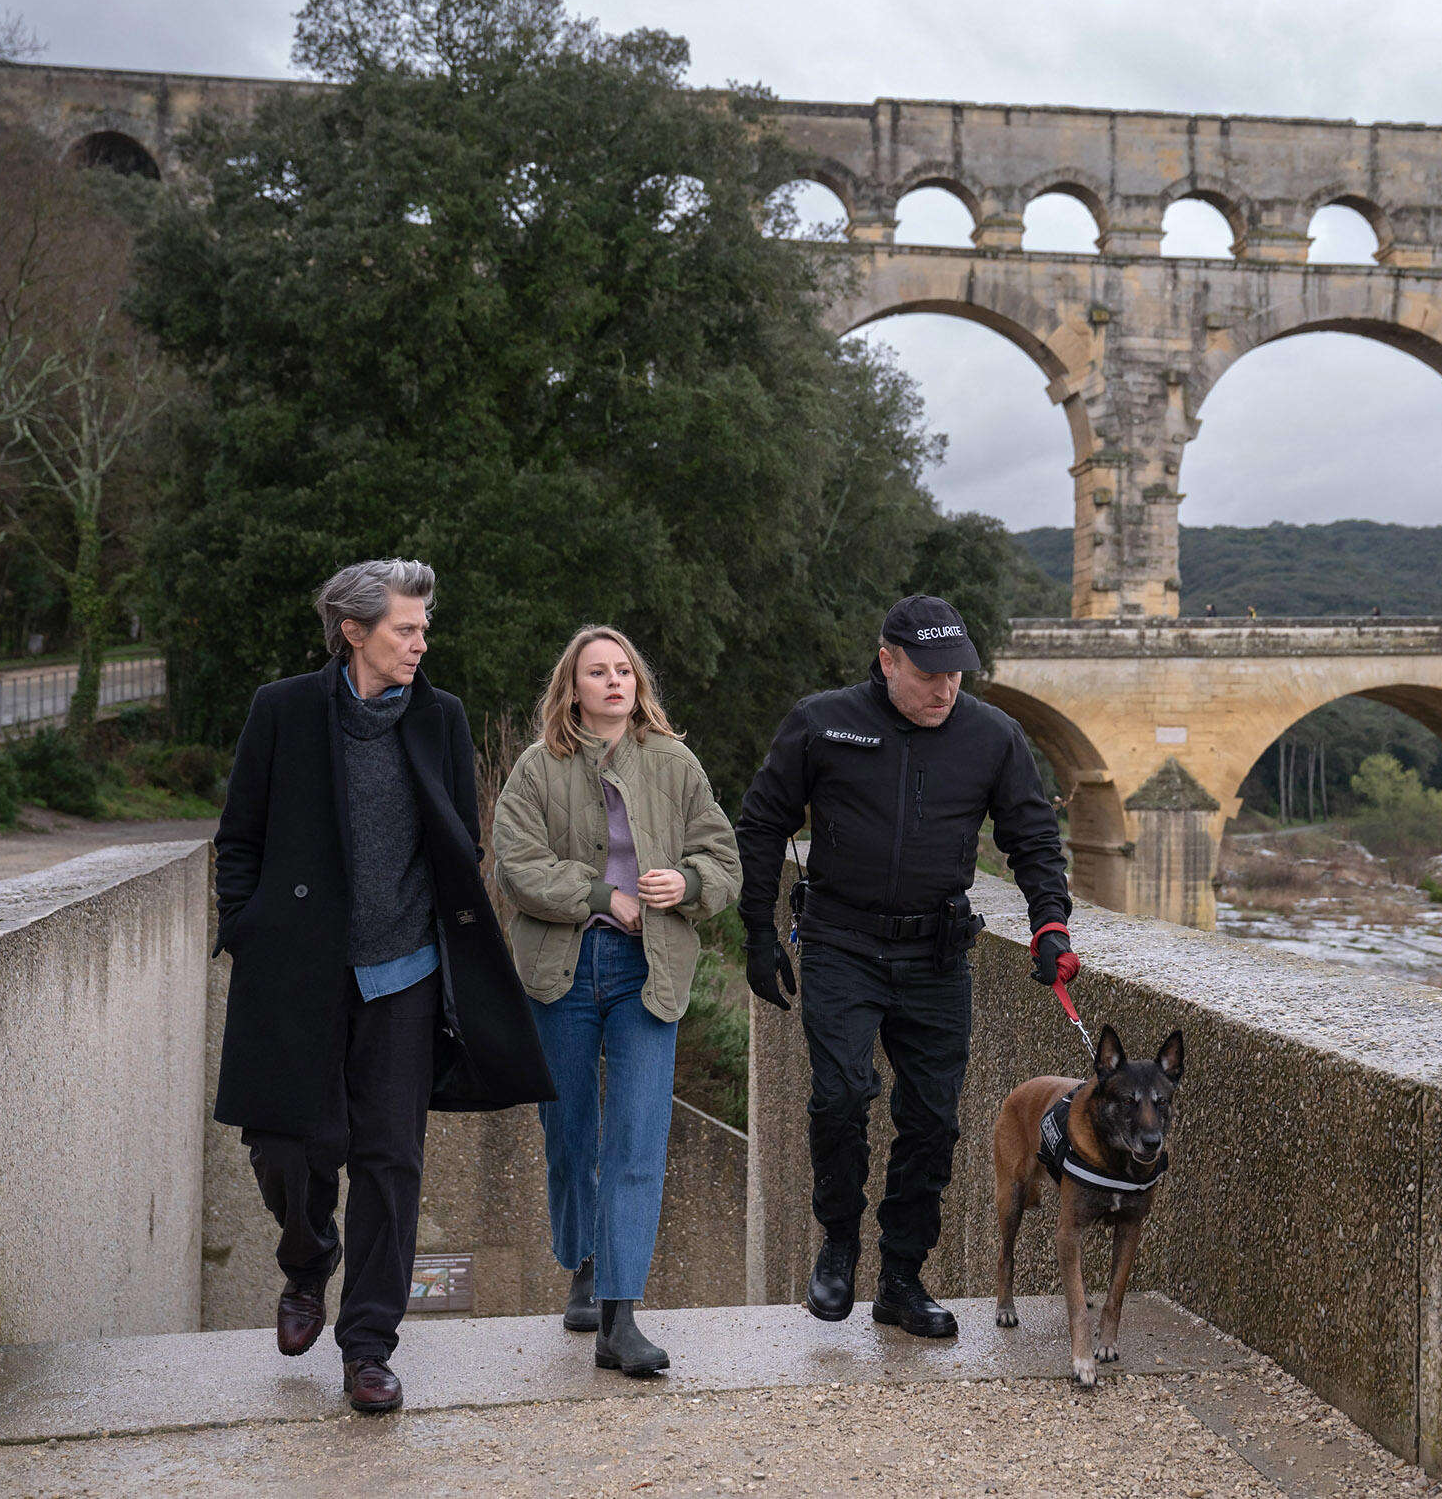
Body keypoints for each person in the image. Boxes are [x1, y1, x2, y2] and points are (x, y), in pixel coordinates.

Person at [213, 559, 557, 1414]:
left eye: (424, 627)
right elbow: (239, 838)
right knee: (289, 1147)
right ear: (354, 631)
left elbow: (457, 839)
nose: (421, 642)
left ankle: (368, 1345)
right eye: (407, 628)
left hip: (405, 973)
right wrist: (248, 931)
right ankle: (306, 1261)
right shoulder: (283, 710)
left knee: (391, 1161)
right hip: (300, 972)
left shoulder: (441, 718)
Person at [735, 595, 1079, 1338]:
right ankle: (836, 1245)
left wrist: (1050, 925)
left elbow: (1033, 838)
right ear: (887, 659)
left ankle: (900, 1276)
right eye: (928, 674)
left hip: (936, 954)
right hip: (839, 944)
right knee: (840, 1096)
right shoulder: (823, 721)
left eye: (957, 673)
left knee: (932, 1120)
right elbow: (762, 821)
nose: (945, 689)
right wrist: (756, 930)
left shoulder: (993, 736)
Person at [492, 625, 741, 1377]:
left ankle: (619, 1315)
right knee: (569, 1131)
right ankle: (583, 1262)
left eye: (624, 669)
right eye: (597, 671)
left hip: (648, 968)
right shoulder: (538, 768)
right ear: (572, 687)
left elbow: (722, 860)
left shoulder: (675, 762)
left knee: (637, 1135)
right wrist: (606, 895)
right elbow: (517, 866)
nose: (613, 681)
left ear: (638, 684)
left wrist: (688, 883)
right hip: (561, 968)